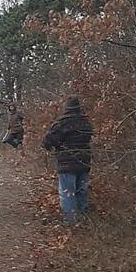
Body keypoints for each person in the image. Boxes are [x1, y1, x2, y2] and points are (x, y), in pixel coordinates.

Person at [41, 95, 93, 224]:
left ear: (66, 107)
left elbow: (47, 141)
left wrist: (53, 147)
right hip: (84, 162)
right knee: (82, 192)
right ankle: (85, 221)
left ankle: (71, 223)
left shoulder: (62, 123)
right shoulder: (86, 123)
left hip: (66, 164)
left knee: (67, 193)